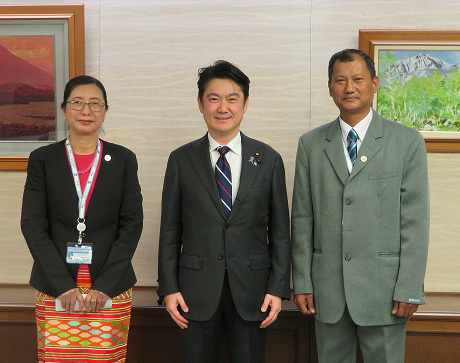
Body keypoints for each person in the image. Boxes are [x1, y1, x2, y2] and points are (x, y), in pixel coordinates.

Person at [291, 49, 430, 363]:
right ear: (330, 87)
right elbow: (302, 217)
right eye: (340, 80)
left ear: (375, 84)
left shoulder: (406, 142)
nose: (348, 88)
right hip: (327, 290)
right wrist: (302, 281)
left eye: (357, 79)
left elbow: (415, 221)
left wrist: (409, 287)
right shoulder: (311, 145)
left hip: (386, 291)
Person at [158, 60, 290, 363]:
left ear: (244, 105)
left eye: (232, 99)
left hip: (254, 292)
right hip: (194, 292)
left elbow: (281, 233)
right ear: (201, 104)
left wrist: (278, 288)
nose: (223, 107)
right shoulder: (181, 159)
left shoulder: (267, 159)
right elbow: (169, 231)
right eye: (213, 98)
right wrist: (168, 288)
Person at [21, 75, 143, 363]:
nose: (86, 111)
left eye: (95, 104)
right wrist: (62, 285)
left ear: (104, 111)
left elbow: (132, 224)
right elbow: (32, 224)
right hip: (56, 288)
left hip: (109, 287)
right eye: (77, 103)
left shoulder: (123, 160)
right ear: (64, 109)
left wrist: (105, 285)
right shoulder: (43, 159)